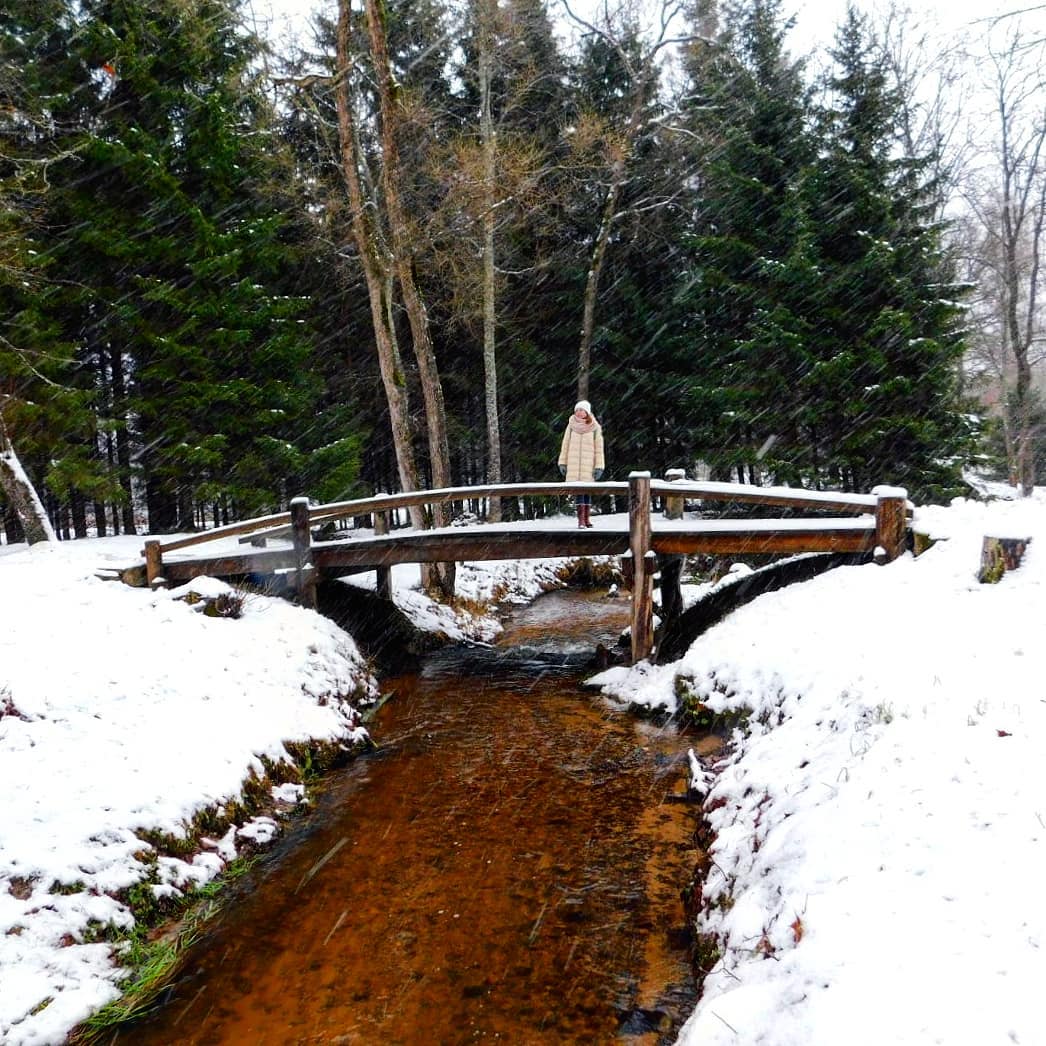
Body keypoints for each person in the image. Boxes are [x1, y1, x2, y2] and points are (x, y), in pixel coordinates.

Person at [558, 399, 605, 528]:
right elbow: (565, 445)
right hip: (573, 465)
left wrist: (599, 466)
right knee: (578, 491)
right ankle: (581, 520)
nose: (579, 412)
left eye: (581, 410)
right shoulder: (571, 426)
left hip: (588, 466)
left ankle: (587, 518)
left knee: (587, 491)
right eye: (577, 410)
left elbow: (599, 449)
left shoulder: (595, 428)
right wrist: (563, 462)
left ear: (587, 412)